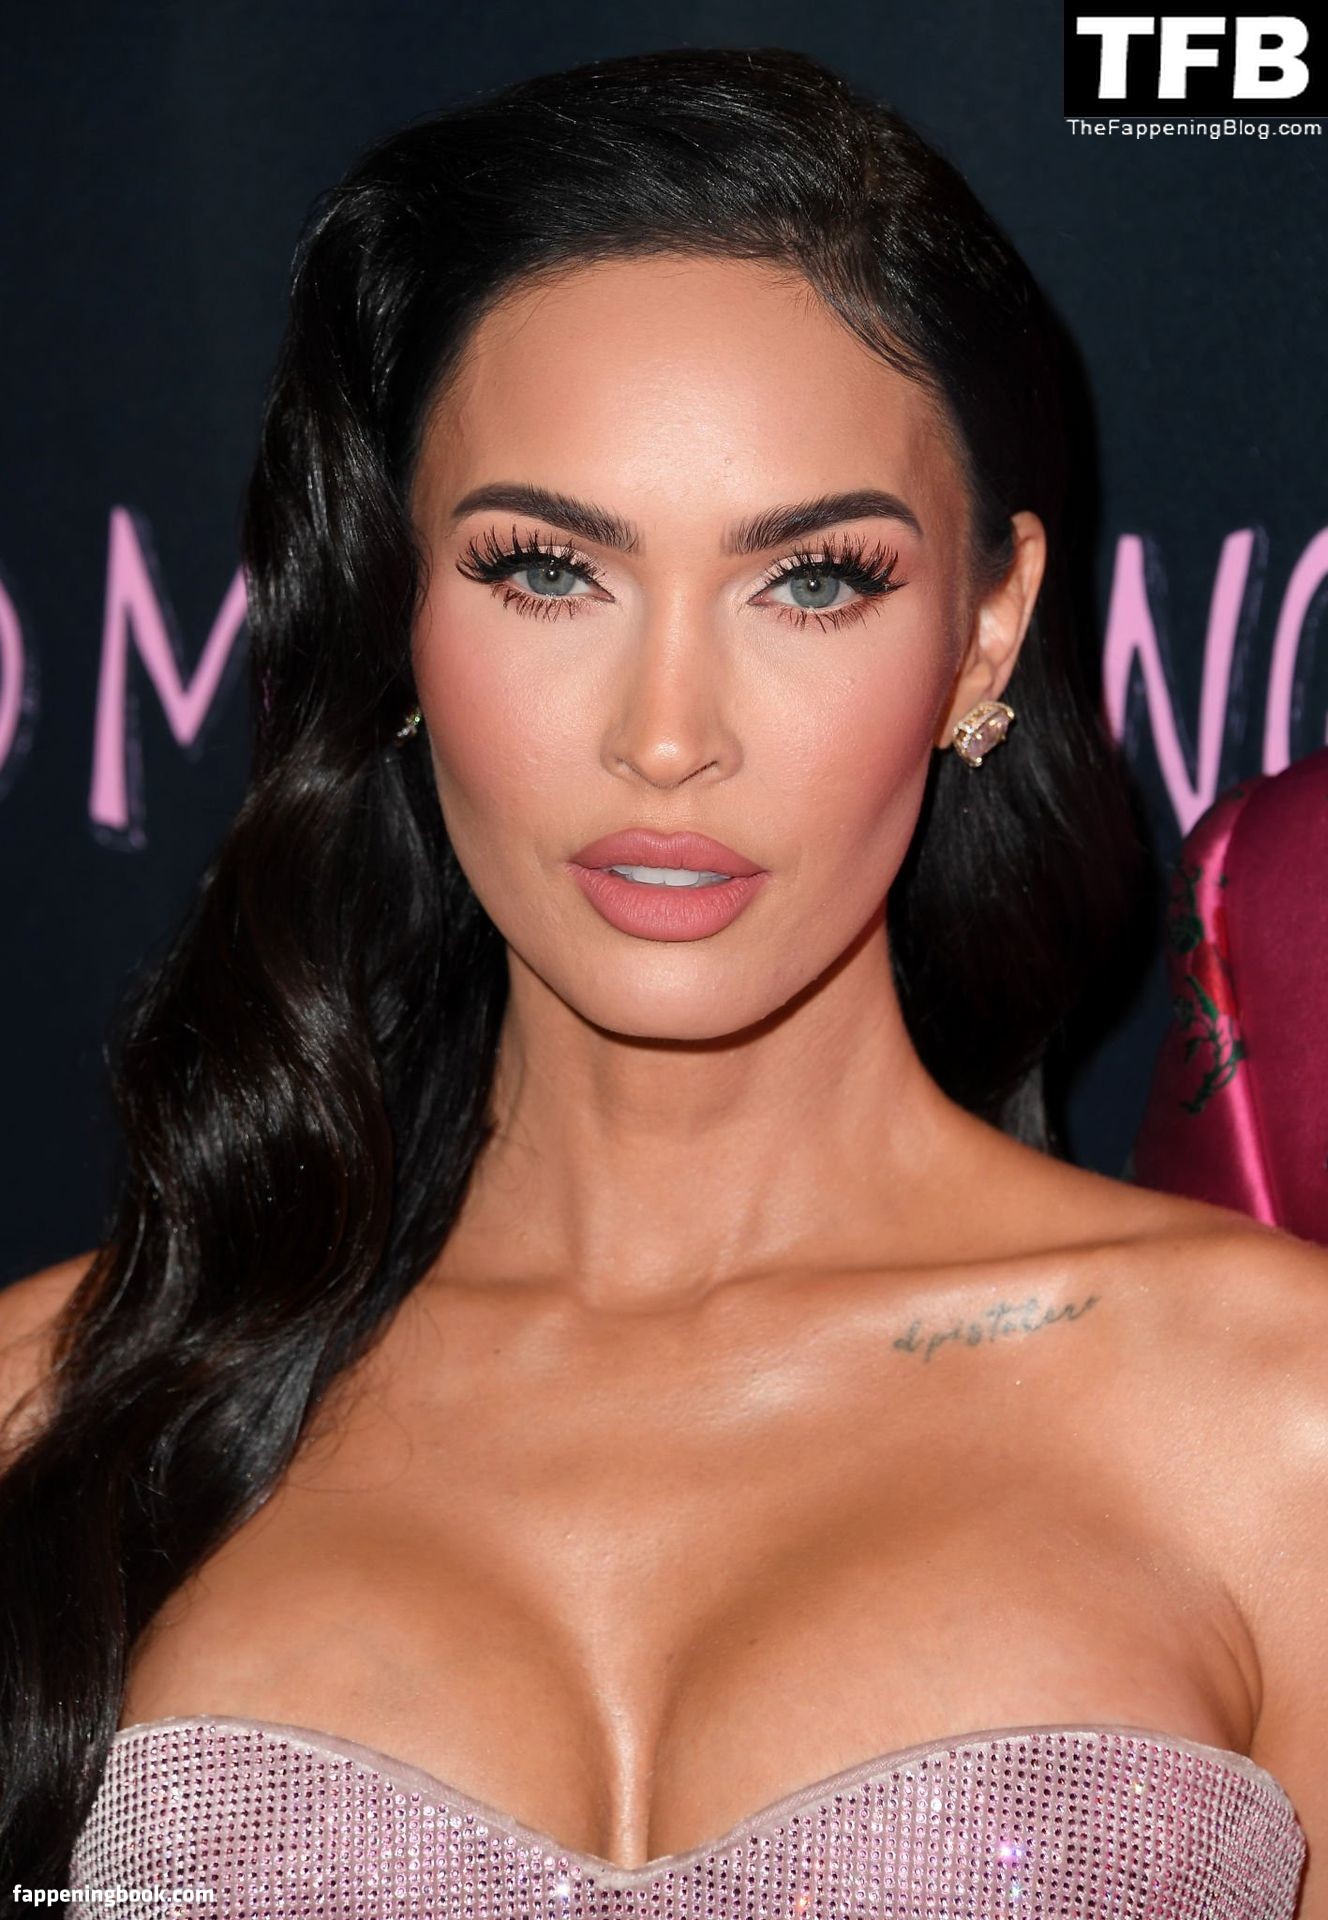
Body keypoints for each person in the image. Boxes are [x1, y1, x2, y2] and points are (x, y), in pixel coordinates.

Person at [0, 44, 1322, 1915]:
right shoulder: (50, 1410)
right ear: (394, 604)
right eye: (549, 571)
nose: (670, 735)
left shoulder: (1281, 1422)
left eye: (814, 580)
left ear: (986, 629)